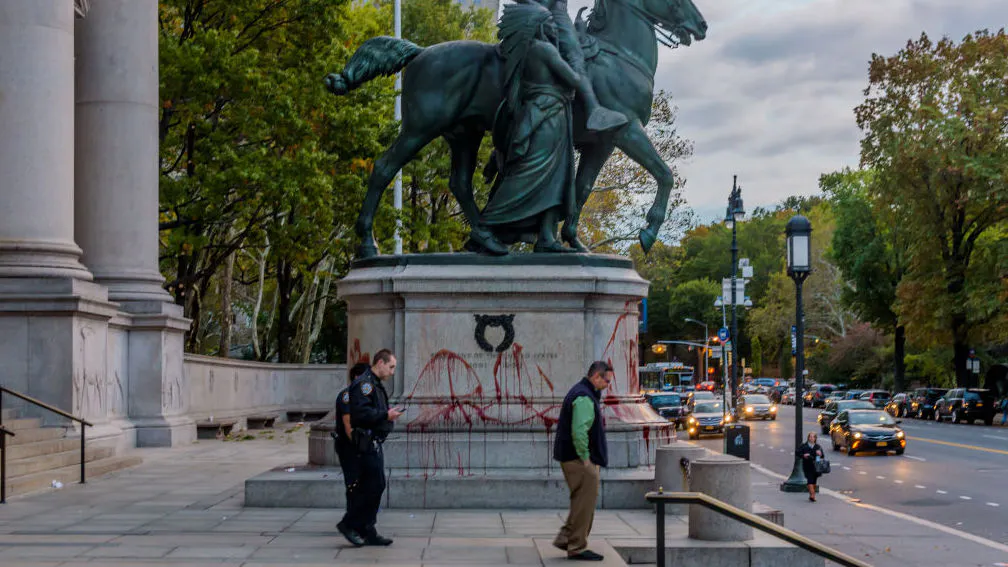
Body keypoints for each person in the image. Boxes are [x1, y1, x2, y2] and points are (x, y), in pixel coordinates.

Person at [479, 3, 580, 252]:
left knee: (555, 179)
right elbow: (574, 78)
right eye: (550, 24)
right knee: (530, 175)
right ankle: (484, 227)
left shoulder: (528, 50)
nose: (554, 28)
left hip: (552, 117)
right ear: (539, 27)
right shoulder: (544, 50)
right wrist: (576, 58)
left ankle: (546, 235)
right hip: (544, 118)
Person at [552, 361, 614, 561]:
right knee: (585, 503)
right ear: (596, 377)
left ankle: (566, 538)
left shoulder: (580, 392)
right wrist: (586, 459)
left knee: (580, 501)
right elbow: (579, 432)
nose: (607, 385)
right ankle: (577, 546)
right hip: (578, 460)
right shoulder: (584, 397)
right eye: (606, 380)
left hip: (571, 457)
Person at [343, 349, 403, 546]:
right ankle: (351, 523)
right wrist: (385, 416)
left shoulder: (374, 384)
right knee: (373, 485)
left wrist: (386, 414)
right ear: (380, 363)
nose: (393, 372)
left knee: (375, 485)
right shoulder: (365, 385)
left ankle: (367, 528)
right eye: (391, 366)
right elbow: (360, 415)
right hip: (366, 443)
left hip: (373, 442)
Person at [335, 362, 371, 546]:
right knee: (354, 485)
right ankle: (351, 524)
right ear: (357, 378)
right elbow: (349, 427)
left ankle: (359, 523)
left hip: (359, 447)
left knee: (363, 486)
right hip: (350, 448)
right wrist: (360, 448)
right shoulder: (348, 397)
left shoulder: (362, 396)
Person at [798, 432, 825, 502]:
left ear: (815, 438)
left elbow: (822, 456)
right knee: (809, 480)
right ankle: (813, 495)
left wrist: (820, 454)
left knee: (814, 481)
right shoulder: (804, 446)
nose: (811, 438)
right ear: (808, 438)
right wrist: (804, 455)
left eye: (813, 437)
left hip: (816, 466)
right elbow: (798, 452)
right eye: (810, 437)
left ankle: (811, 495)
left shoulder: (818, 446)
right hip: (807, 465)